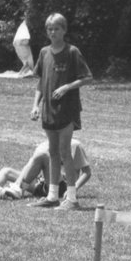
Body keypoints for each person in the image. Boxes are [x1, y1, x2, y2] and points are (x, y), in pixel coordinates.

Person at [30, 12, 92, 210]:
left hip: (67, 110)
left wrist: (66, 87)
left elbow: (87, 77)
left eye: (57, 28)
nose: (53, 32)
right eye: (49, 29)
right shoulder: (44, 53)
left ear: (64, 30)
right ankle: (52, 196)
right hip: (49, 110)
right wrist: (35, 105)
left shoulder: (72, 52)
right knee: (52, 153)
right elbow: (41, 82)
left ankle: (72, 199)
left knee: (66, 152)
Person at [0, 138, 93, 203]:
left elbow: (87, 172)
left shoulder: (75, 145)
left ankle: (14, 190)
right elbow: (31, 167)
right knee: (6, 171)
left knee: (42, 156)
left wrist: (73, 190)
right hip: (43, 184)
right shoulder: (47, 143)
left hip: (61, 186)